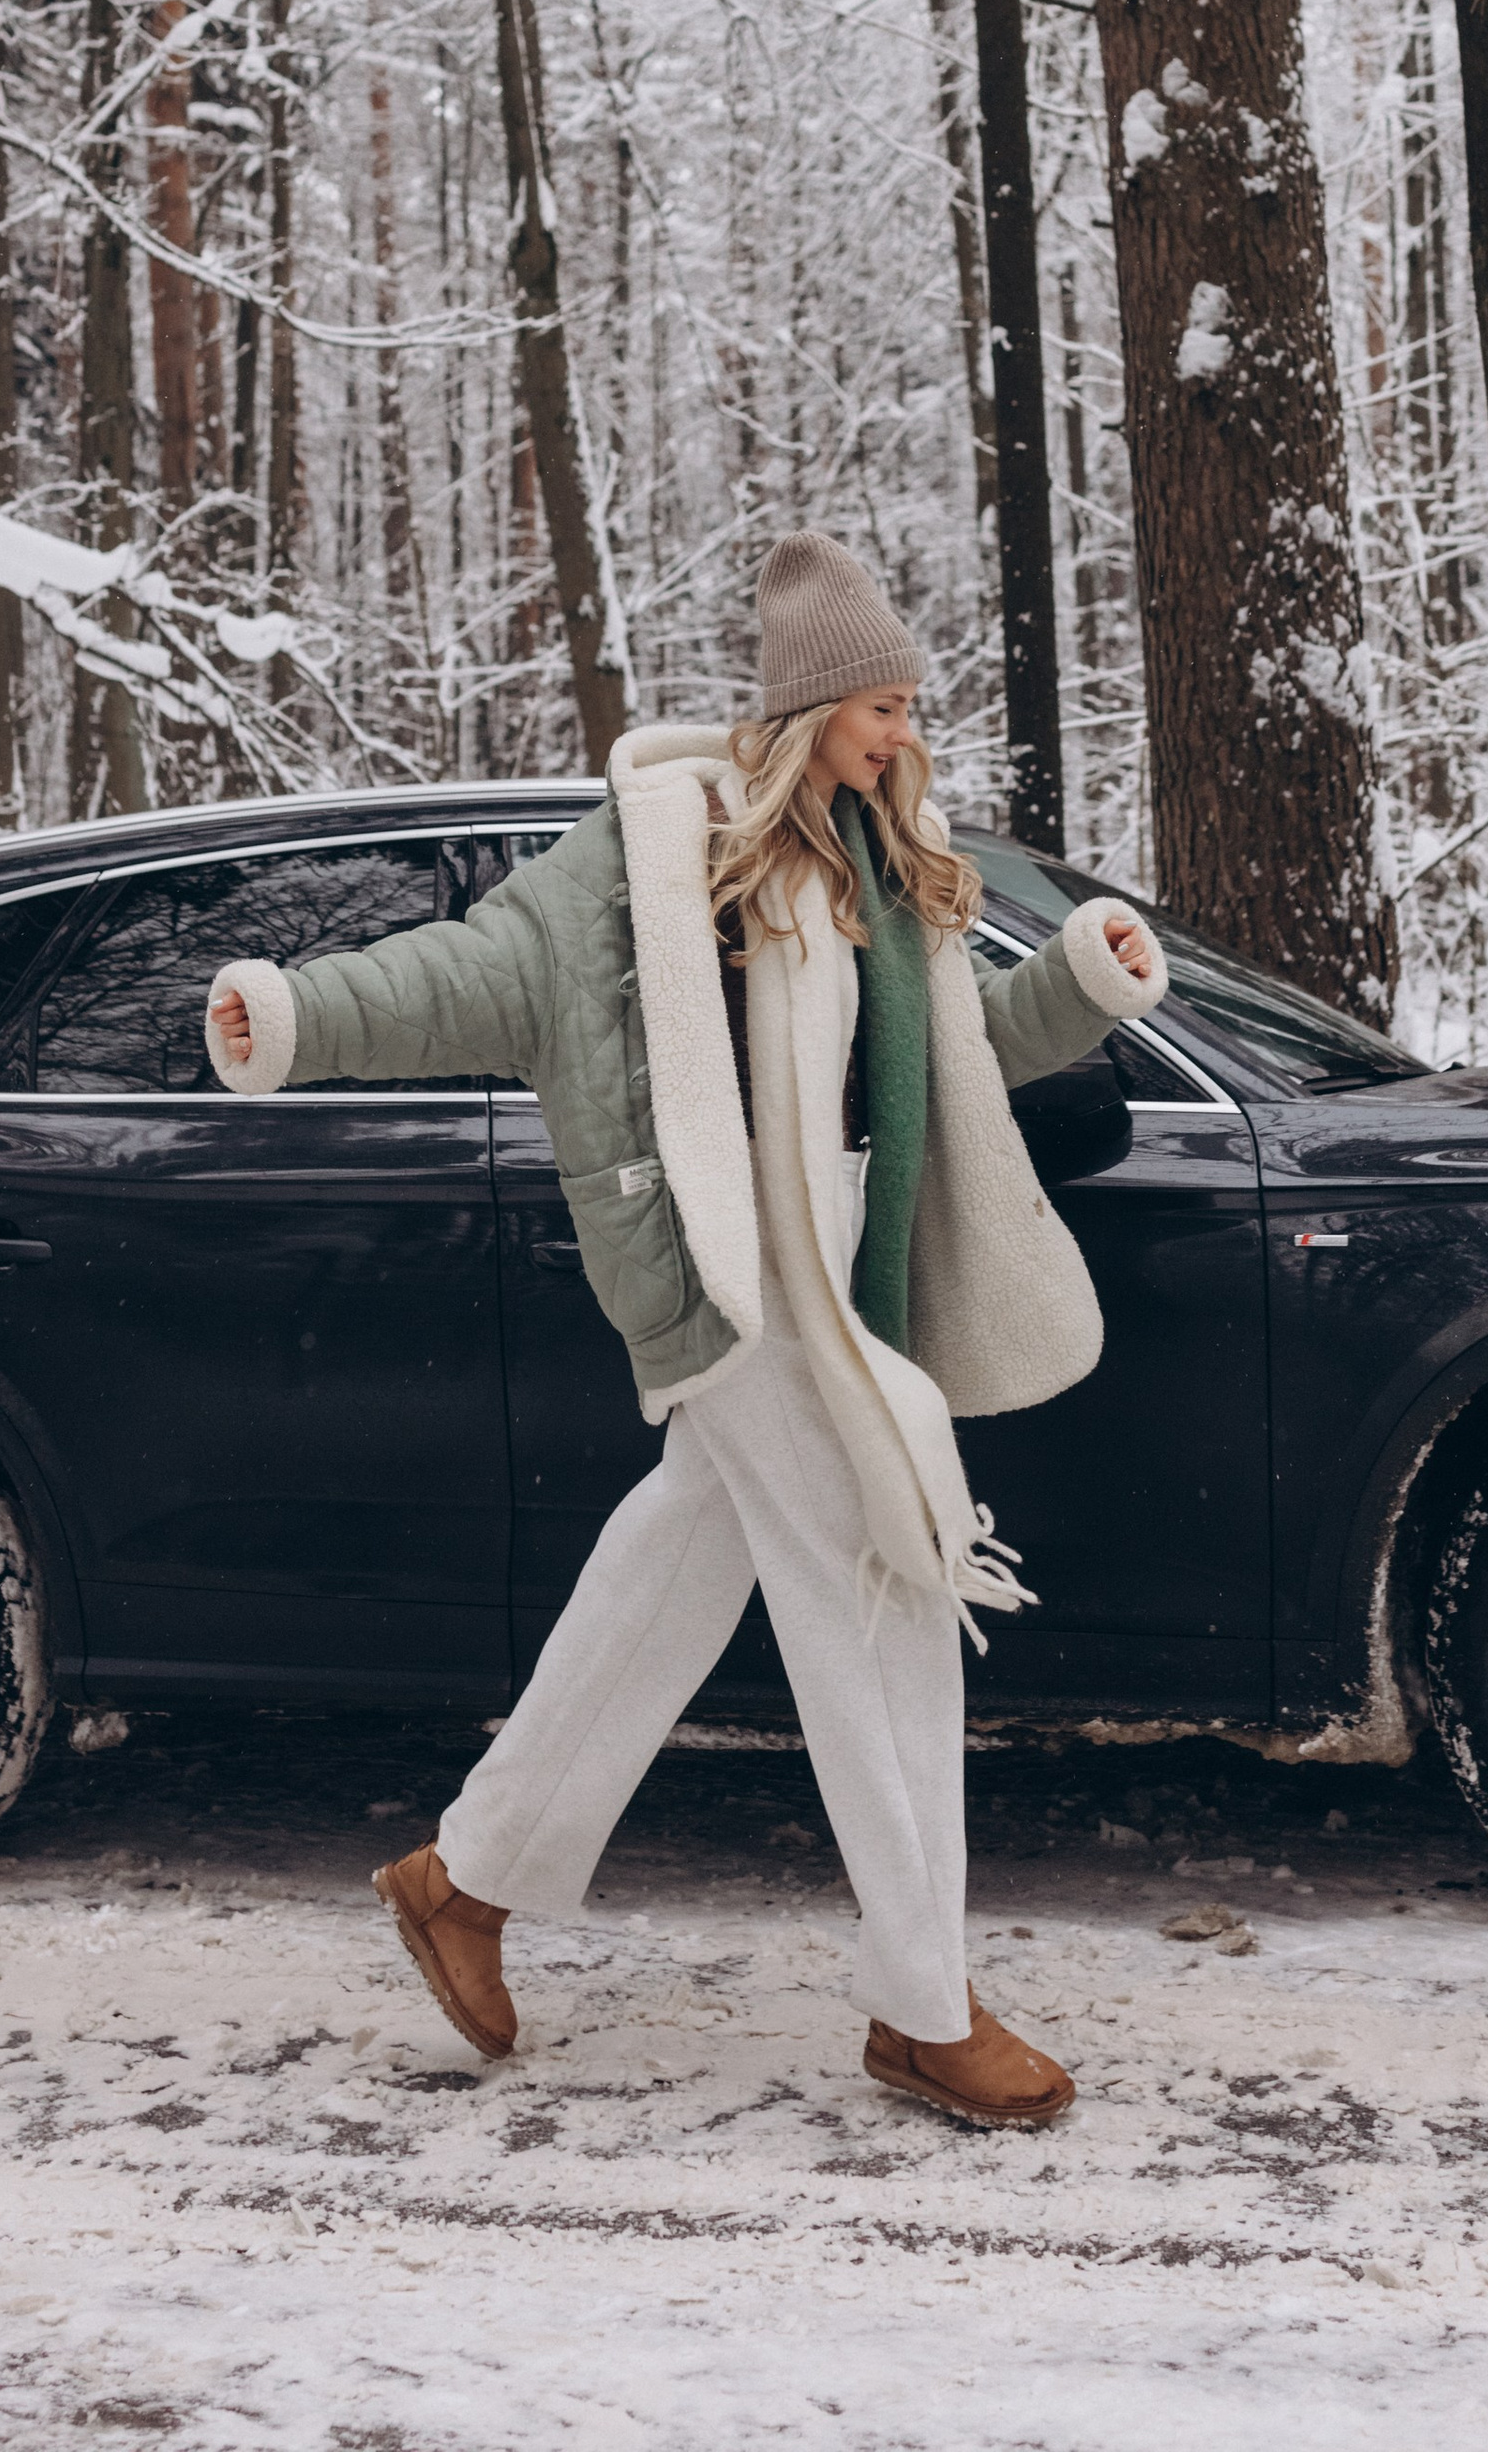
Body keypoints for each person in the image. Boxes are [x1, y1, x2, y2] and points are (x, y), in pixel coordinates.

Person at [203, 530, 1164, 2127]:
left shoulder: (873, 861)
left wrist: (1076, 982)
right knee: (889, 1582)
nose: (906, 728)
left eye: (913, 701)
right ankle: (922, 2006)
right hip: (729, 1282)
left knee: (680, 1562)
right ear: (810, 703)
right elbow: (481, 975)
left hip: (842, 1268)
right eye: (883, 701)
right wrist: (298, 1015)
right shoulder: (650, 859)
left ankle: (469, 1877)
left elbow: (941, 1059)